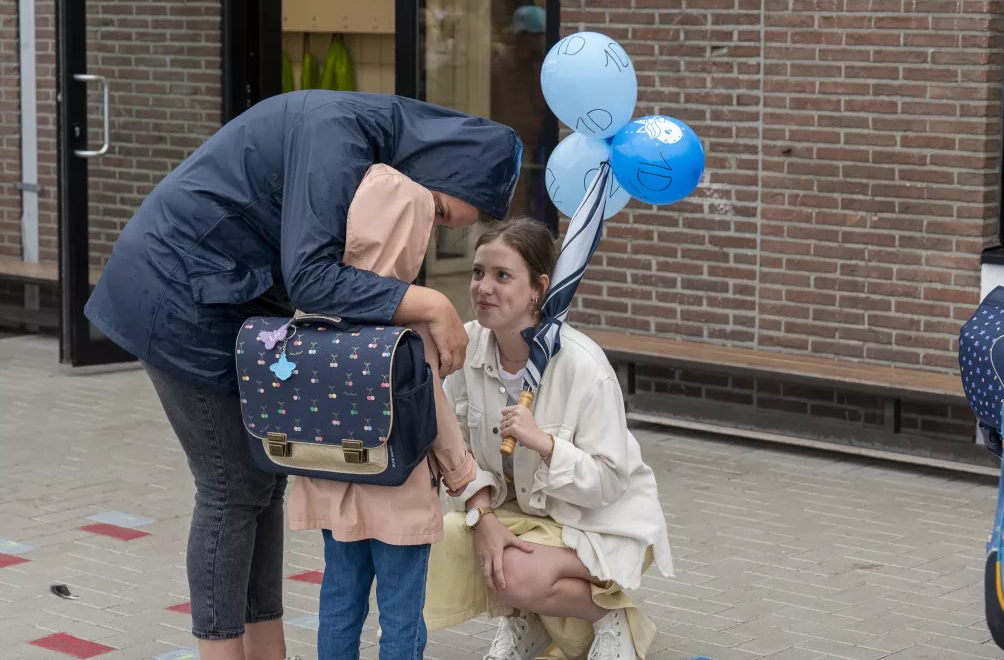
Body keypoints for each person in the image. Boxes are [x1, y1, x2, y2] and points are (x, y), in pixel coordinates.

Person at [83, 90, 522, 660]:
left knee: (260, 482)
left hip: (224, 298)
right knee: (229, 488)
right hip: (175, 294)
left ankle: (268, 649)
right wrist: (431, 305)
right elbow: (313, 278)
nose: (426, 229)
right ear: (435, 168)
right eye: (436, 212)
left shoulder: (363, 140)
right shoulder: (336, 133)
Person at [423, 218, 674, 660]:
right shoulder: (466, 347)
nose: (483, 286)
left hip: (594, 521)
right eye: (478, 272)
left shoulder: (583, 367)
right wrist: (482, 518)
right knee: (442, 538)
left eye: (503, 276)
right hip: (515, 511)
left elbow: (610, 482)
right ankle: (527, 623)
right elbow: (453, 448)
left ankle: (611, 619)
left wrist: (545, 444)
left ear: (539, 288)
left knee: (515, 572)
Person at [290, 164, 479, 660]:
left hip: (334, 486)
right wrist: (463, 476)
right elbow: (435, 414)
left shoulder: (311, 318)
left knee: (338, 602)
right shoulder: (408, 331)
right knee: (400, 613)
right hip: (399, 491)